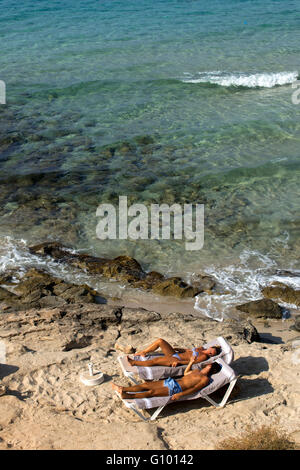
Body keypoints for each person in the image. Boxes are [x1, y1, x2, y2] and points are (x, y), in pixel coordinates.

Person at [112, 357, 222, 400]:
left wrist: (180, 394)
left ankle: (128, 396)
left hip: (177, 388)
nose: (208, 364)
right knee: (146, 385)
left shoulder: (205, 379)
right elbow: (186, 373)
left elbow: (195, 389)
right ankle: (124, 389)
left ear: (211, 368)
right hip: (172, 381)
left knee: (152, 392)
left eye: (210, 365)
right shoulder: (197, 371)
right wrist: (191, 362)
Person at [127, 337, 221, 368]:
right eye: (211, 351)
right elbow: (187, 350)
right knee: (160, 341)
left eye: (212, 354)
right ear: (209, 347)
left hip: (177, 359)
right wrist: (178, 348)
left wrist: (179, 362)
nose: (210, 354)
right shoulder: (200, 348)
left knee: (156, 360)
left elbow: (191, 362)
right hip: (175, 353)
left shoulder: (204, 357)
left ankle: (134, 362)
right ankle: (143, 352)